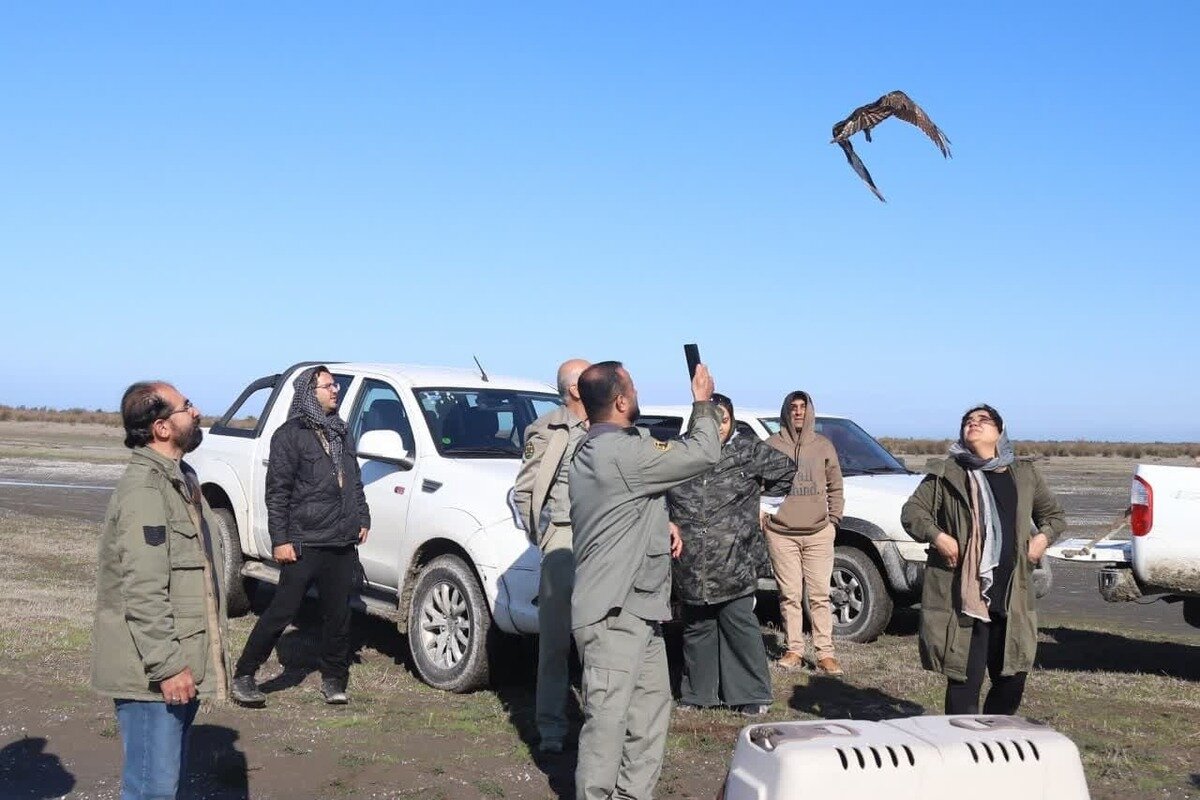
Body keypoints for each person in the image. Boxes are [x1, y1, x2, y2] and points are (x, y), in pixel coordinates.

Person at [569, 360, 721, 800]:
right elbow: (702, 452)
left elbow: (630, 501)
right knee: (608, 722)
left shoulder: (609, 447)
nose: (638, 392)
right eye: (632, 386)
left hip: (641, 611)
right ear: (620, 400)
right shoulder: (618, 454)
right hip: (614, 613)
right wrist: (703, 403)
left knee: (650, 713)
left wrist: (662, 524)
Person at [92, 381, 231, 800]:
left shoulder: (179, 479)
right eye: (186, 406)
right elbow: (143, 590)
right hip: (153, 675)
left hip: (177, 664)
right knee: (151, 789)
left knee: (161, 785)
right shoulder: (145, 491)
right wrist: (168, 666)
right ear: (161, 428)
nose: (197, 411)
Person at [901, 404, 1066, 715]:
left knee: (1012, 677)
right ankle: (961, 747)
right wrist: (939, 537)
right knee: (965, 679)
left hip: (1012, 593)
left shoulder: (1024, 474)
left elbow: (1054, 516)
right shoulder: (946, 474)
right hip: (965, 596)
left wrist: (1041, 539)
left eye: (982, 420)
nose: (973, 424)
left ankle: (992, 741)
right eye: (967, 421)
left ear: (1000, 432)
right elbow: (912, 513)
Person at [230, 365, 370, 707]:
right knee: (282, 610)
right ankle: (245, 674)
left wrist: (362, 516)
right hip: (305, 540)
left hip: (341, 538)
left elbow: (352, 479)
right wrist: (281, 539)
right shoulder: (289, 435)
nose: (335, 390)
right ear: (310, 392)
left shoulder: (341, 431)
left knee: (339, 614)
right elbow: (277, 493)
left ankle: (334, 678)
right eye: (328, 386)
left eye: (335, 385)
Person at [666, 393, 795, 716]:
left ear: (732, 420)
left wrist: (762, 504)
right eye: (711, 419)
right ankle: (699, 693)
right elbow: (658, 487)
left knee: (738, 622)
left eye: (724, 420)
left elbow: (787, 472)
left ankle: (751, 693)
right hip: (692, 558)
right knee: (697, 625)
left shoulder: (746, 450)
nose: (719, 427)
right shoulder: (681, 451)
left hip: (735, 556)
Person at [511, 358, 590, 754]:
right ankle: (552, 729)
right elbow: (524, 491)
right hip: (563, 539)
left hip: (603, 543)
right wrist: (544, 537)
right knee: (556, 642)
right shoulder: (547, 429)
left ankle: (599, 723)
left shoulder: (609, 426)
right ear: (575, 388)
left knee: (597, 639)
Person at [762, 390, 845, 676]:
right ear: (786, 411)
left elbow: (836, 485)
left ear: (810, 411)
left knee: (820, 595)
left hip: (818, 532)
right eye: (793, 407)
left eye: (803, 407)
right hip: (781, 533)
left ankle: (825, 654)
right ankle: (794, 649)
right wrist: (763, 517)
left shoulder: (823, 446)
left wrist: (833, 520)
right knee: (790, 595)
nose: (798, 412)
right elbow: (756, 483)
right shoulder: (771, 445)